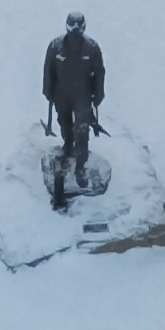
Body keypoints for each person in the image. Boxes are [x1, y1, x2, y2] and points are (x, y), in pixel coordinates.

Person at [42, 13, 107, 211]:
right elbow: (48, 70)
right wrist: (48, 91)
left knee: (82, 130)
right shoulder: (55, 47)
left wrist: (99, 93)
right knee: (65, 124)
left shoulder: (92, 48)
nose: (76, 31)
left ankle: (80, 164)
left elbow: (99, 72)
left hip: (83, 96)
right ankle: (67, 144)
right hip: (62, 94)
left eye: (80, 27)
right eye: (73, 27)